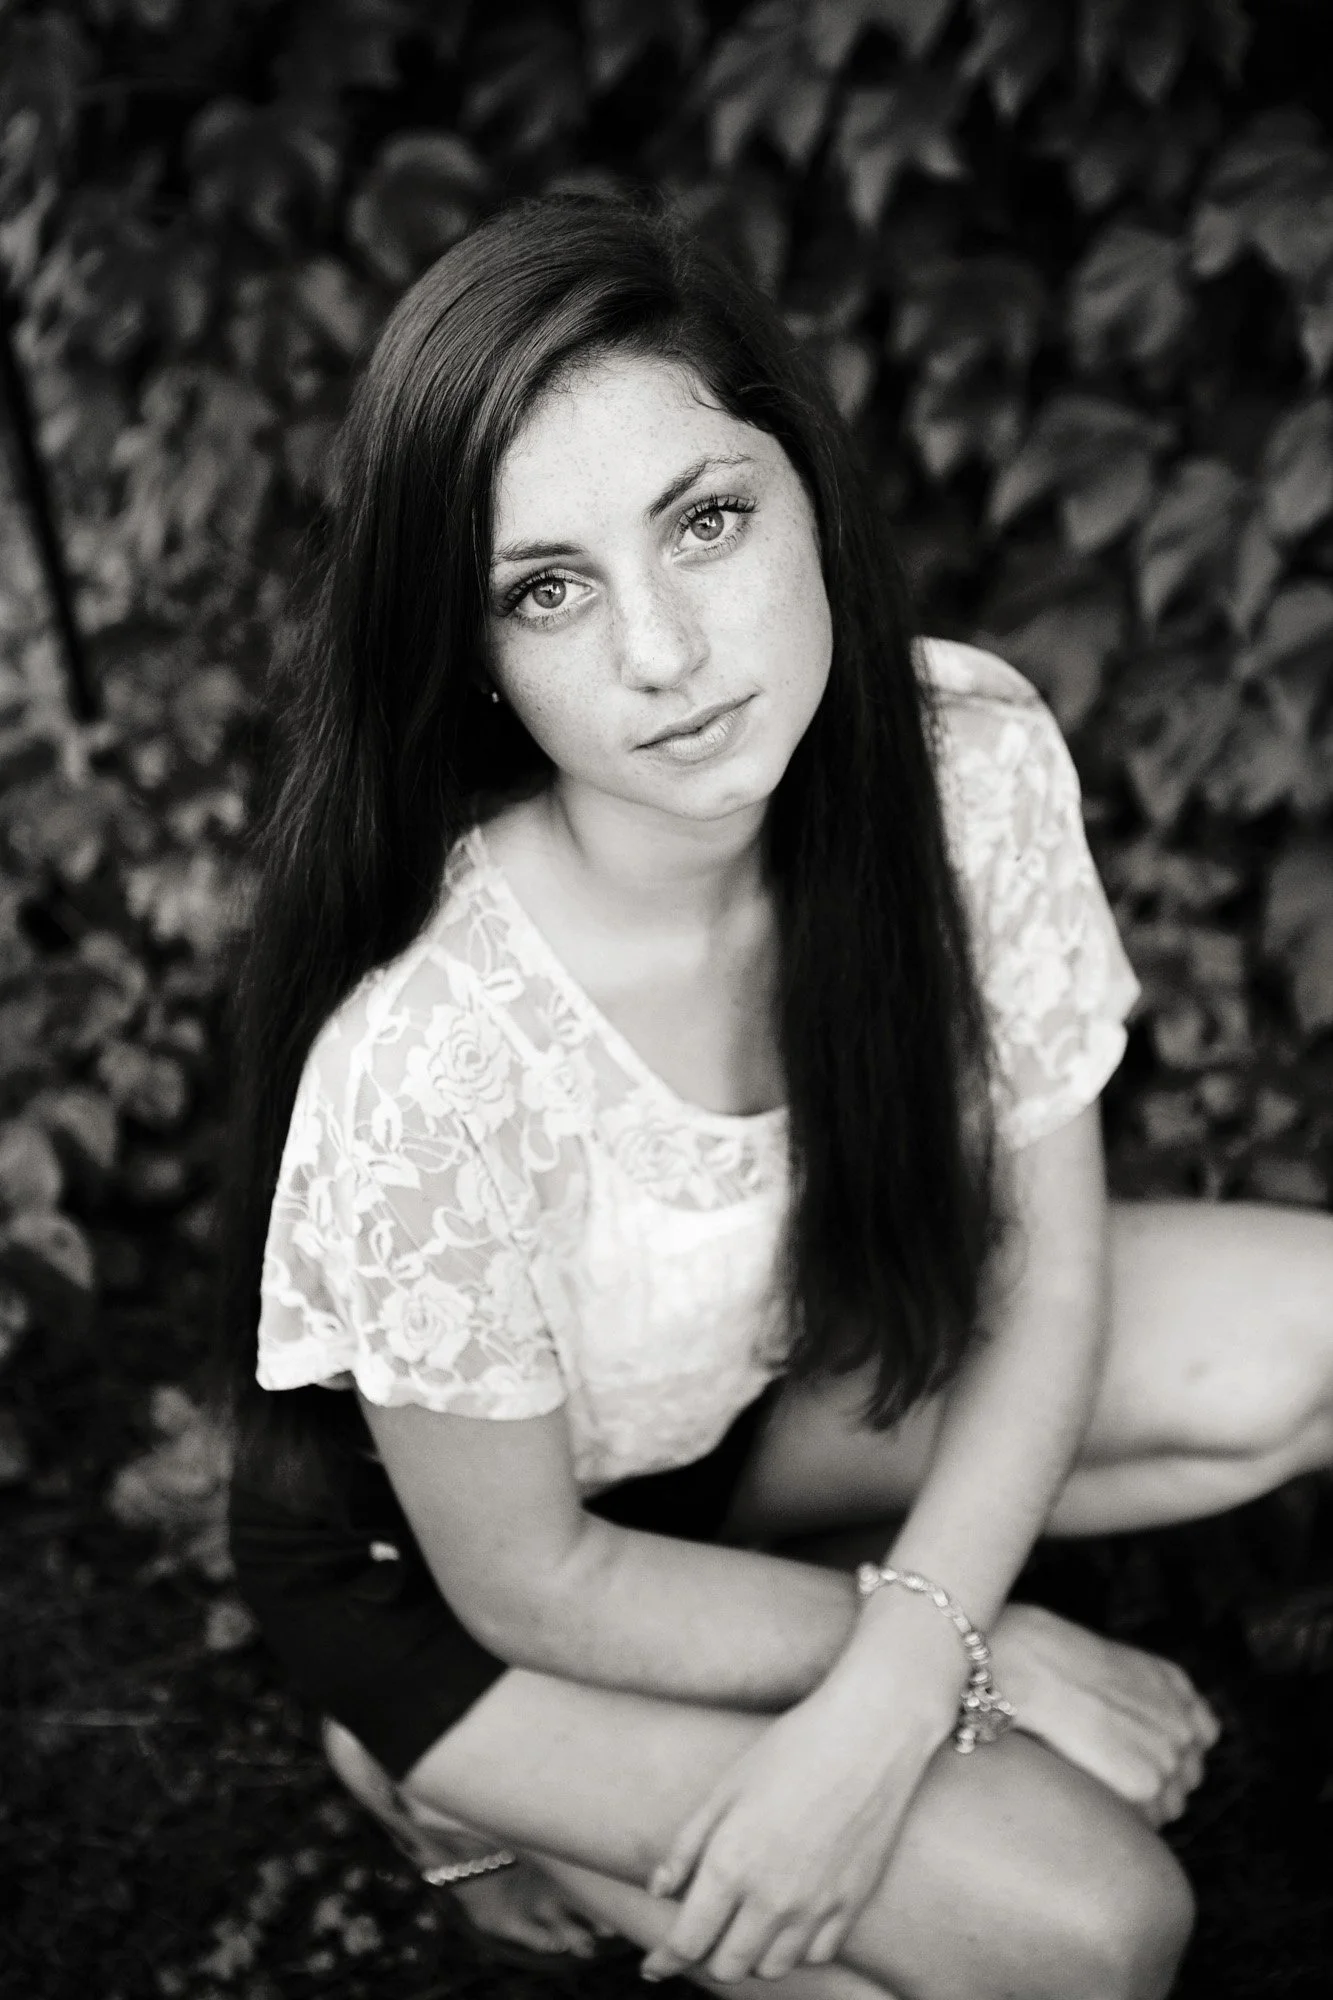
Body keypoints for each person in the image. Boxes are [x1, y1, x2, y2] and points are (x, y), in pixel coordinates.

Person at [221, 190, 1333, 2000]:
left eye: (706, 520)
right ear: (475, 651)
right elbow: (534, 1578)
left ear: (809, 486)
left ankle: (811, 1578)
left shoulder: (962, 763)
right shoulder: (431, 1053)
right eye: (549, 589)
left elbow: (1049, 1276)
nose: (663, 653)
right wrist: (968, 1652)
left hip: (754, 1404)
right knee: (1094, 1935)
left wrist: (912, 1661)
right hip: (459, 1579)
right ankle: (442, 1780)